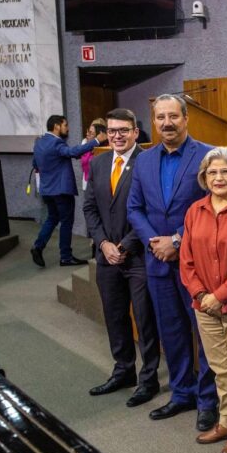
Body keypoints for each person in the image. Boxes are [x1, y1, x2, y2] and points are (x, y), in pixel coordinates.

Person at [126, 94, 218, 431]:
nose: (167, 123)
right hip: (158, 262)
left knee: (204, 334)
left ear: (186, 118)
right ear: (154, 121)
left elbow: (214, 204)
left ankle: (208, 400)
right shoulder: (144, 161)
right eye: (160, 117)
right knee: (172, 331)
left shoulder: (208, 156)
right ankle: (182, 393)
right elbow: (134, 208)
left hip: (197, 263)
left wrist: (177, 240)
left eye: (173, 116)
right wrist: (155, 241)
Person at [179, 147, 227, 453]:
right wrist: (201, 295)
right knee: (220, 368)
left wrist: (220, 295)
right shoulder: (195, 210)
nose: (219, 177)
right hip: (204, 307)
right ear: (204, 177)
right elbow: (186, 259)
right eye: (212, 172)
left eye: (225, 171)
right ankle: (225, 421)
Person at [82, 108, 160, 407]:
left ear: (135, 132)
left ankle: (148, 379)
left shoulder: (148, 162)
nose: (117, 136)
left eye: (123, 130)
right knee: (114, 316)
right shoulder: (99, 163)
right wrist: (103, 244)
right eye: (112, 130)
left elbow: (151, 211)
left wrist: (124, 245)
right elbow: (90, 208)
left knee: (145, 320)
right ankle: (124, 370)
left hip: (138, 256)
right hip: (106, 257)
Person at [31, 115, 106, 268]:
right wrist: (97, 141)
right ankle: (65, 257)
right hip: (61, 191)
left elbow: (35, 163)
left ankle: (38, 246)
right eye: (65, 125)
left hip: (47, 190)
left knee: (52, 218)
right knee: (66, 222)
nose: (68, 128)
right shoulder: (56, 143)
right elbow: (72, 152)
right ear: (57, 126)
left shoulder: (39, 142)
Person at [81, 118, 107, 190]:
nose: (87, 134)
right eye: (88, 131)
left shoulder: (106, 149)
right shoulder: (85, 144)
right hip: (88, 184)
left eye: (91, 132)